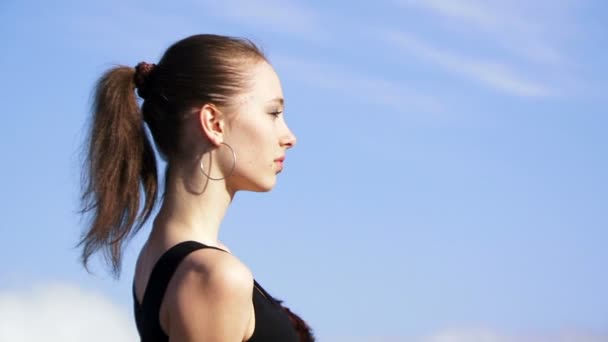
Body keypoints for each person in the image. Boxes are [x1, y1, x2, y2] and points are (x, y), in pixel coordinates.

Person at [78, 34, 314, 341]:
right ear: (213, 123)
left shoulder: (165, 259)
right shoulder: (214, 276)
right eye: (273, 113)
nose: (289, 136)